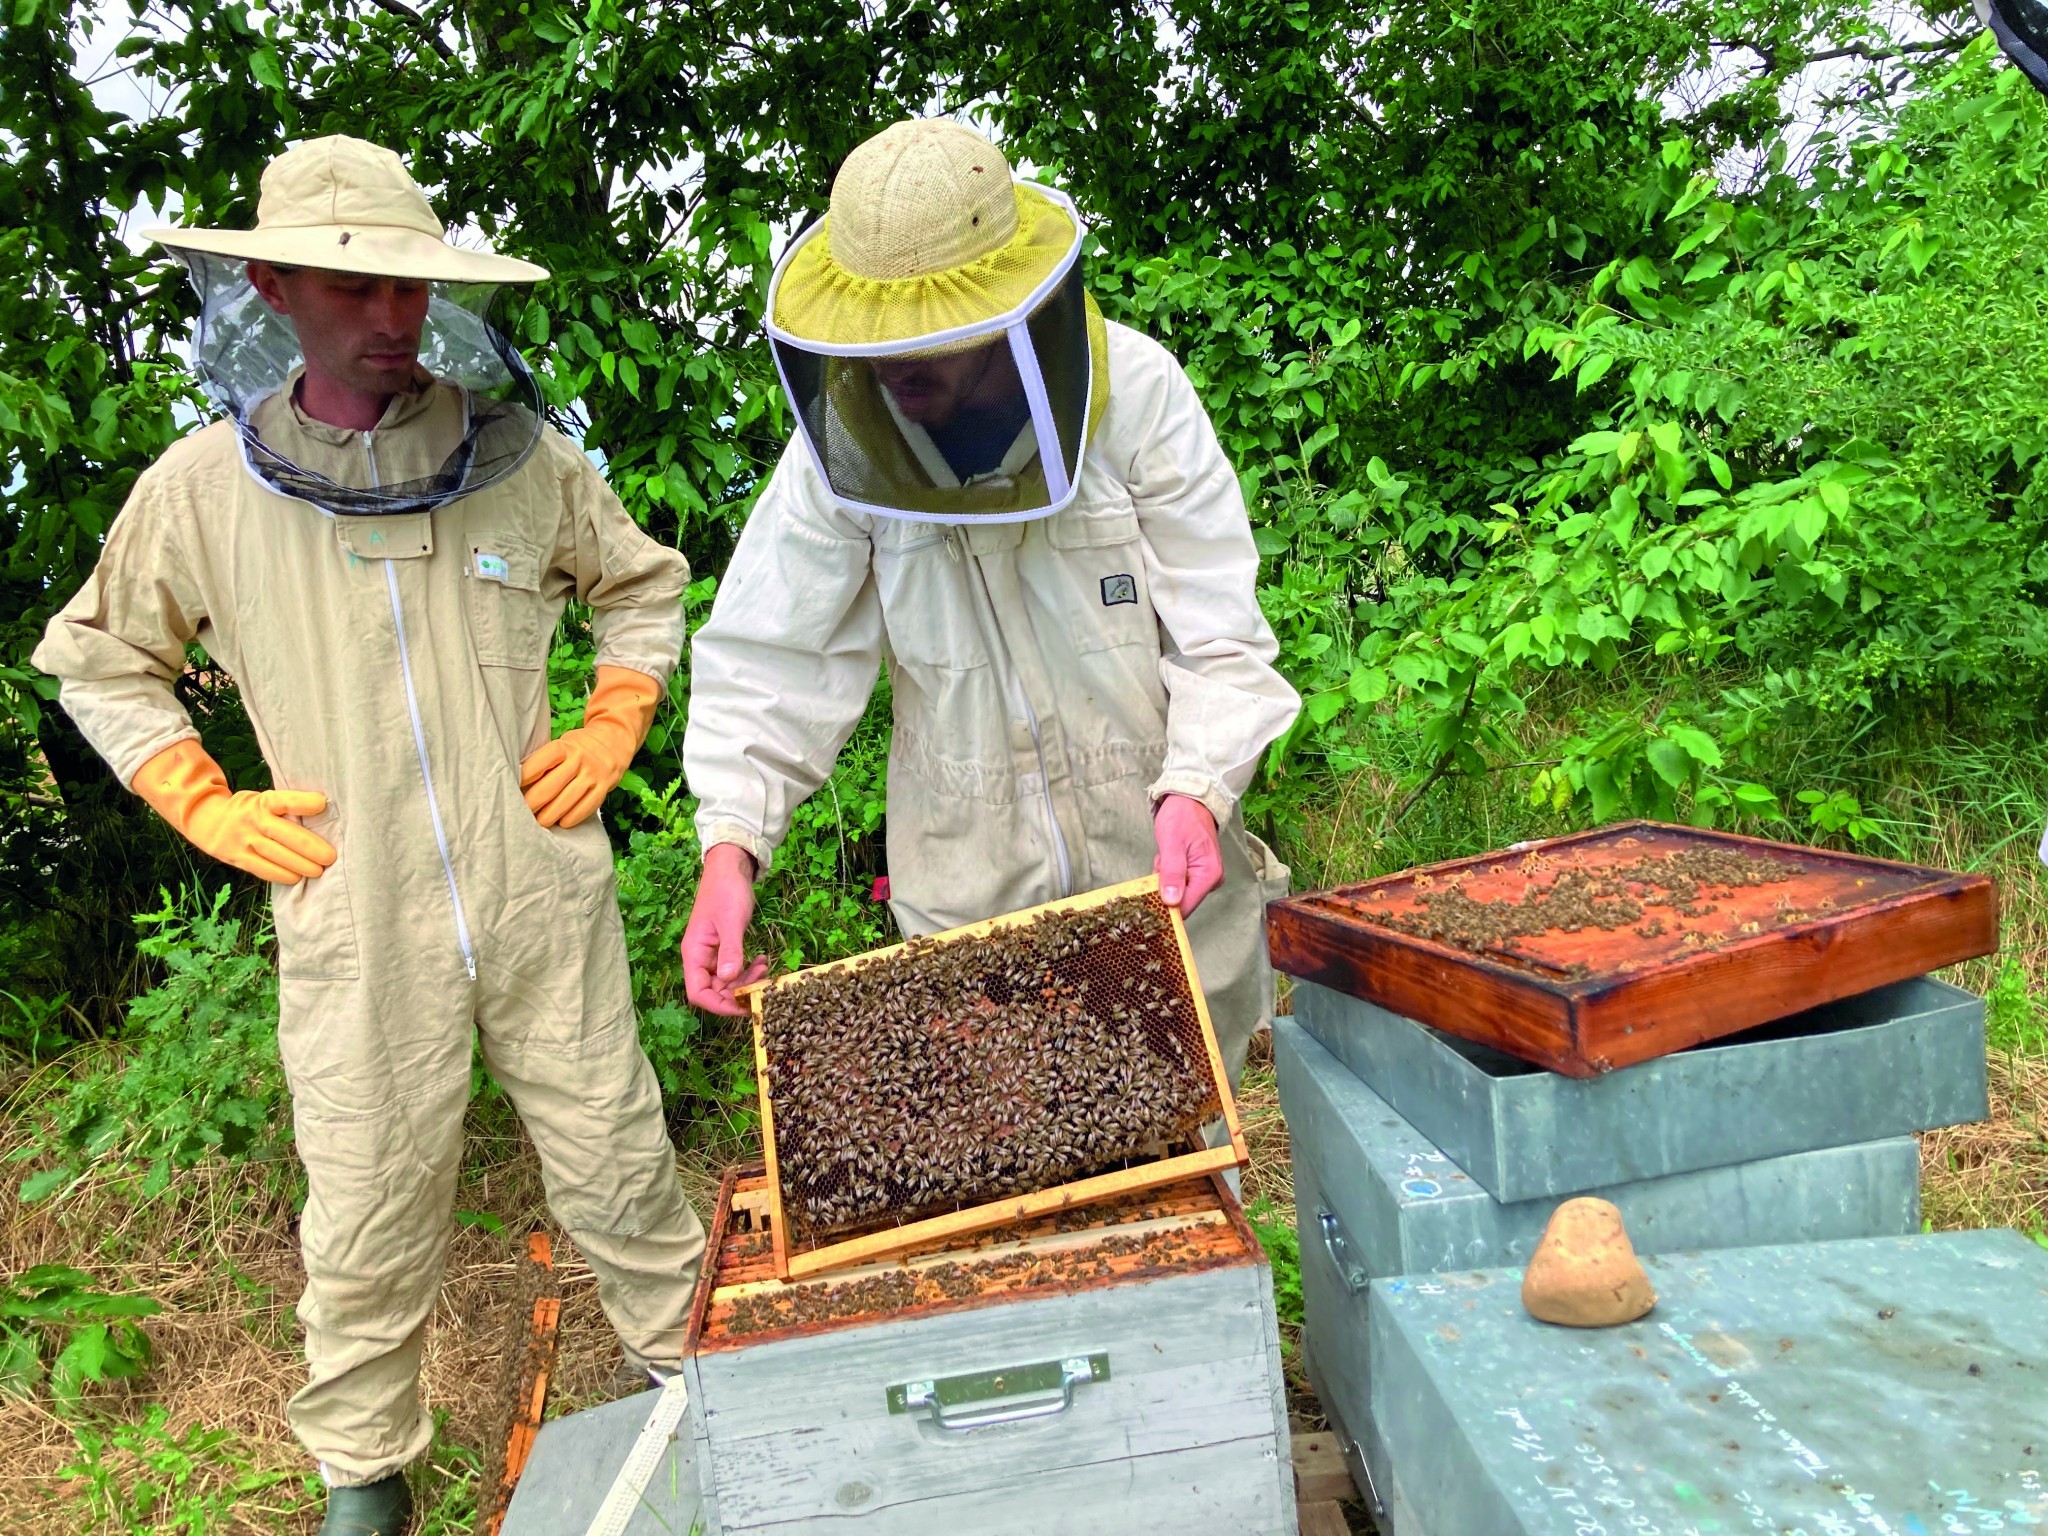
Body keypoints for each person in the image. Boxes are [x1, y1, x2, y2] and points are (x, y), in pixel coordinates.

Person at [34, 136, 704, 1536]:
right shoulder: (203, 492)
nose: (392, 315)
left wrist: (616, 712)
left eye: (409, 285)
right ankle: (364, 1468)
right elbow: (96, 656)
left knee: (620, 1153)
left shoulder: (524, 465)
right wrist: (194, 796)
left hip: (536, 887)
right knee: (364, 1194)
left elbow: (641, 586)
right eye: (355, 287)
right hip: (356, 907)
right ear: (272, 283)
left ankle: (696, 1378)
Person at [680, 118, 1301, 1092]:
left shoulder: (1134, 395)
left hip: (1162, 879)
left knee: (1186, 1200)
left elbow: (1220, 639)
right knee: (1019, 1203)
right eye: (873, 337)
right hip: (967, 900)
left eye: (926, 335)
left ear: (1008, 306)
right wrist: (730, 849)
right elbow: (770, 661)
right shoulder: (835, 455)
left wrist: (1197, 788)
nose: (894, 366)